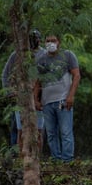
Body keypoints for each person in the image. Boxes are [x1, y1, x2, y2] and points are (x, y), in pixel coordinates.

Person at [34, 33, 80, 162]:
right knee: (51, 134)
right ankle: (56, 159)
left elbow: (76, 75)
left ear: (59, 42)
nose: (50, 43)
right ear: (44, 43)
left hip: (63, 101)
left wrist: (71, 96)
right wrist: (35, 99)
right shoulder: (41, 59)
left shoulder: (68, 55)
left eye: (53, 40)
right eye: (47, 40)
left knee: (65, 132)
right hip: (47, 103)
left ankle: (67, 160)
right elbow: (37, 82)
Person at [1, 29, 46, 154]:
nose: (33, 40)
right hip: (20, 96)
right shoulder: (16, 54)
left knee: (39, 129)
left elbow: (47, 76)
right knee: (18, 129)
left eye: (35, 38)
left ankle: (37, 157)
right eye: (30, 38)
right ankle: (17, 157)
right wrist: (9, 92)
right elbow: (5, 74)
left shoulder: (44, 54)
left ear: (39, 39)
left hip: (38, 98)